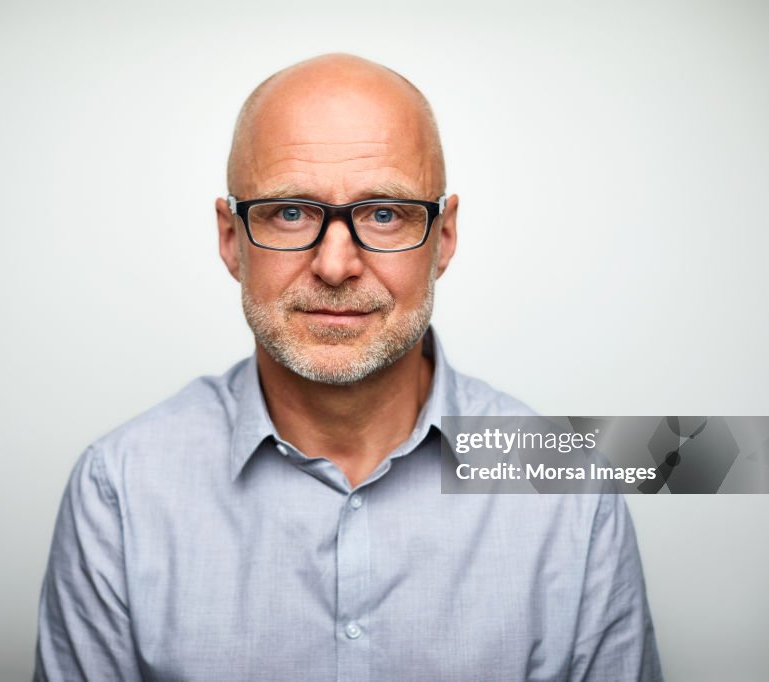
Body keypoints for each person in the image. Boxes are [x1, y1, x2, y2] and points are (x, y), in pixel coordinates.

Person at [34, 53, 663, 681]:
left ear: (443, 238)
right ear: (231, 239)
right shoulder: (119, 489)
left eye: (384, 214)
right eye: (290, 212)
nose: (335, 266)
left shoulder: (569, 489)